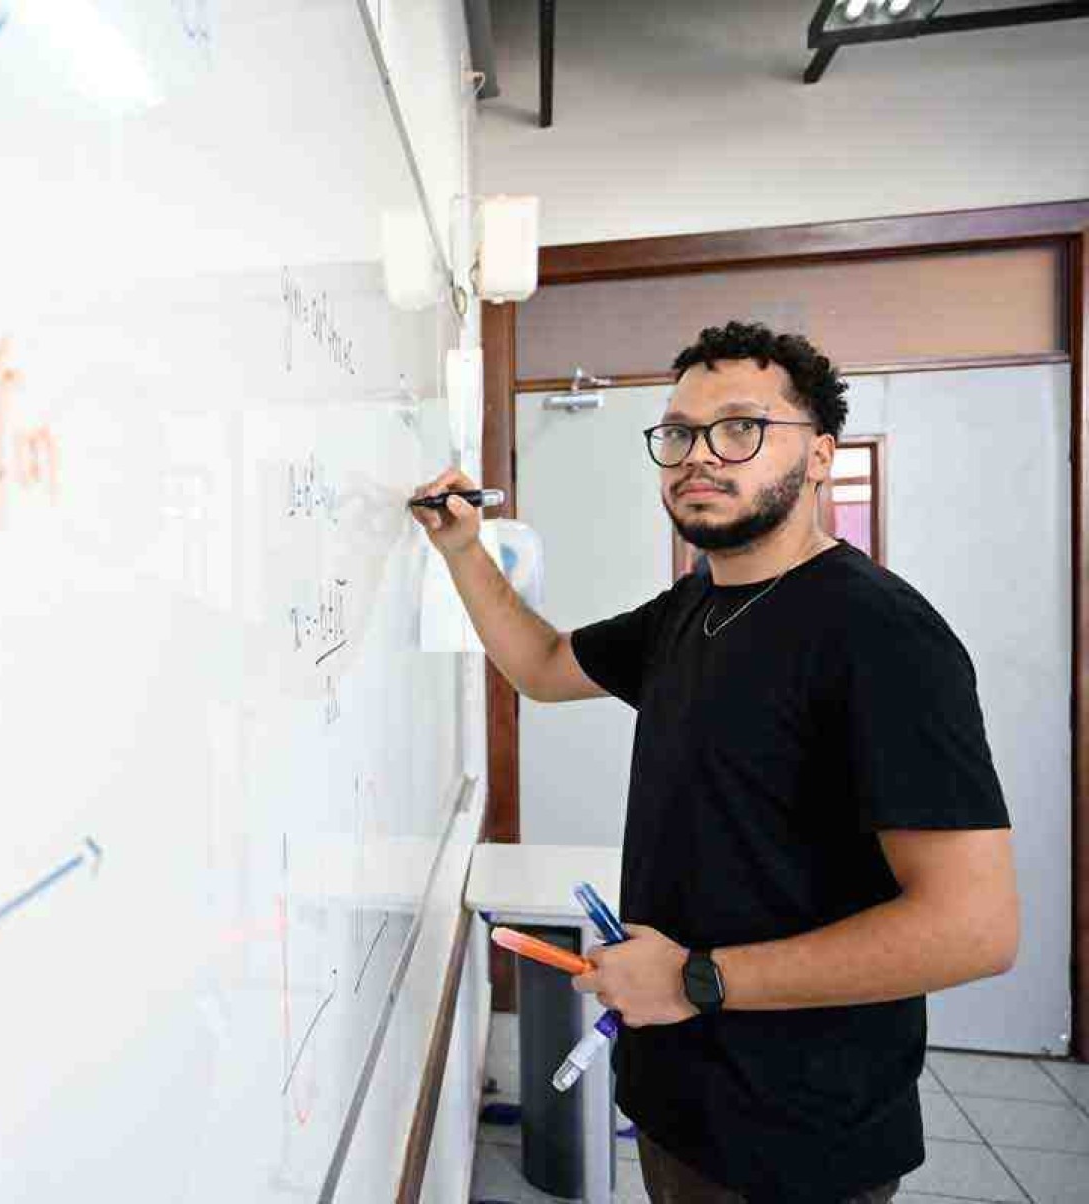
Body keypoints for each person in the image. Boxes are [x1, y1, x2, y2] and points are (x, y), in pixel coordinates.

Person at [413, 320, 1018, 1203]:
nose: (699, 455)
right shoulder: (695, 607)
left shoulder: (881, 635)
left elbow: (976, 927)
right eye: (679, 434)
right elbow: (541, 667)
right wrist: (464, 549)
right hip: (682, 1102)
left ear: (820, 456)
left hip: (800, 1136)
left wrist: (698, 979)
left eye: (741, 428)